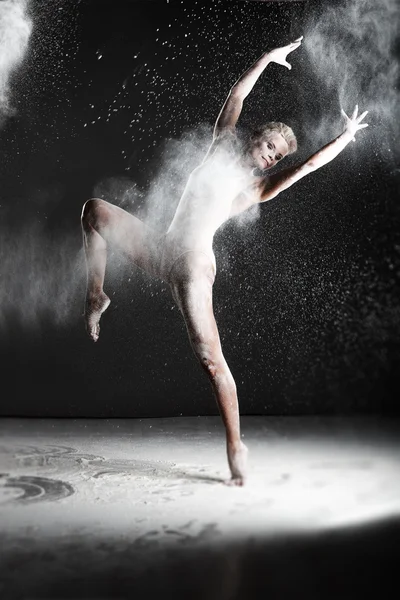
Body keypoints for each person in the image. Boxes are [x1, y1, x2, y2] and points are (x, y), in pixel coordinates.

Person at [81, 36, 368, 485]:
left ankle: (236, 446)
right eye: (270, 143)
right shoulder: (221, 141)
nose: (271, 154)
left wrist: (345, 138)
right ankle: (96, 295)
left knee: (211, 361)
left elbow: (308, 166)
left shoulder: (254, 190)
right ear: (257, 135)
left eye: (276, 155)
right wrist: (268, 60)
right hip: (162, 248)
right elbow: (238, 94)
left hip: (194, 264)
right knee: (95, 211)